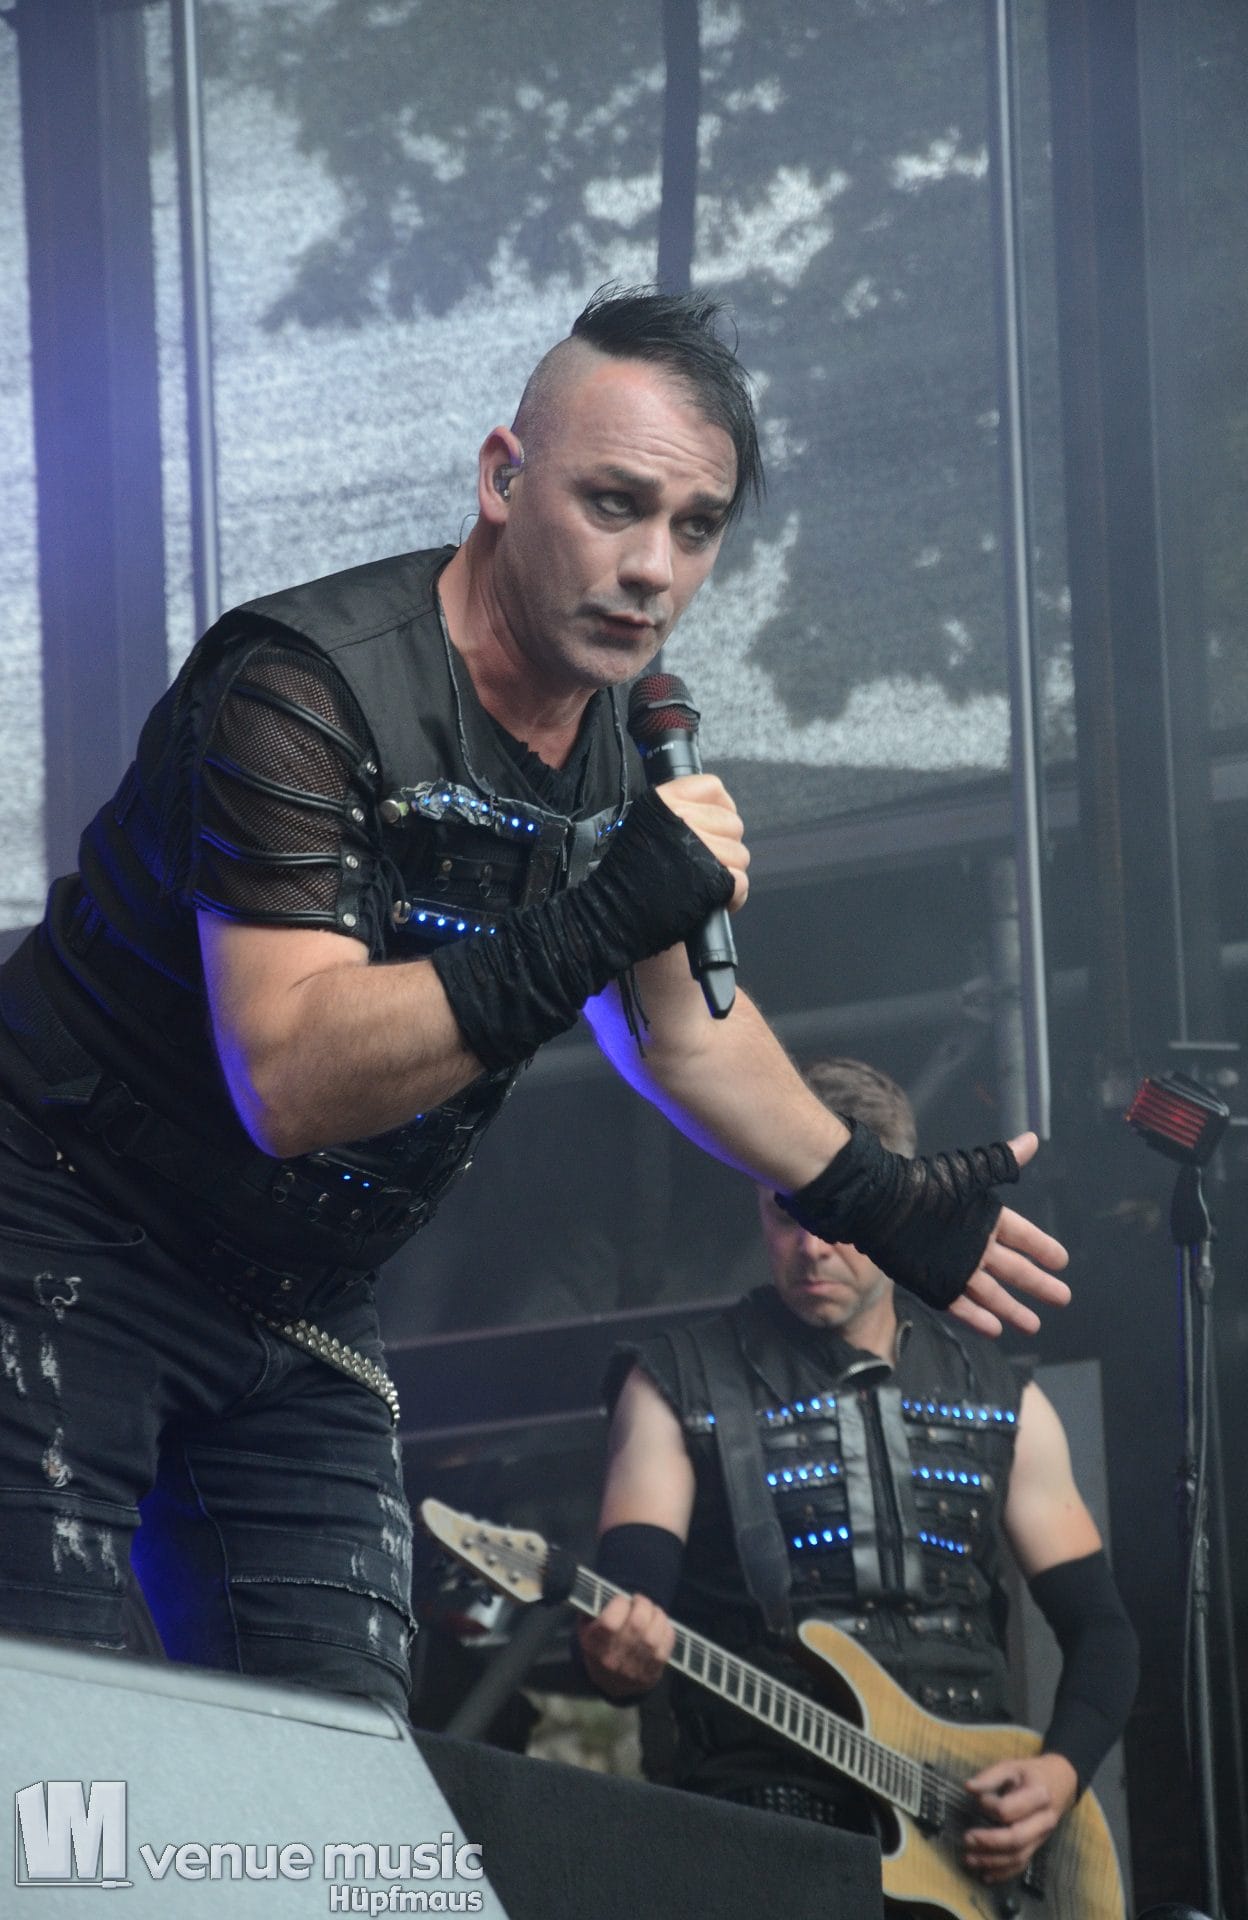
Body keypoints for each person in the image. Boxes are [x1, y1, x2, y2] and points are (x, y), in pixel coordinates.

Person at [0, 288, 1068, 1718]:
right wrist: (602, 913)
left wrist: (868, 1193)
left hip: (302, 1300)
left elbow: (683, 1034)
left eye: (696, 526)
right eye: (614, 503)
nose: (652, 567)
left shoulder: (615, 747)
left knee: (342, 1765)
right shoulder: (302, 688)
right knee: (68, 1739)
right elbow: (290, 1078)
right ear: (504, 478)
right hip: (65, 1234)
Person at [578, 1058, 1137, 1892]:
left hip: (968, 1844)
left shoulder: (1001, 1394)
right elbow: (629, 1601)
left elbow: (1102, 1633)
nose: (810, 1248)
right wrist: (616, 1651)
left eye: (835, 1219)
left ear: (897, 1209)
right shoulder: (672, 1382)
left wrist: (1059, 1777)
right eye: (784, 1214)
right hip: (762, 1838)